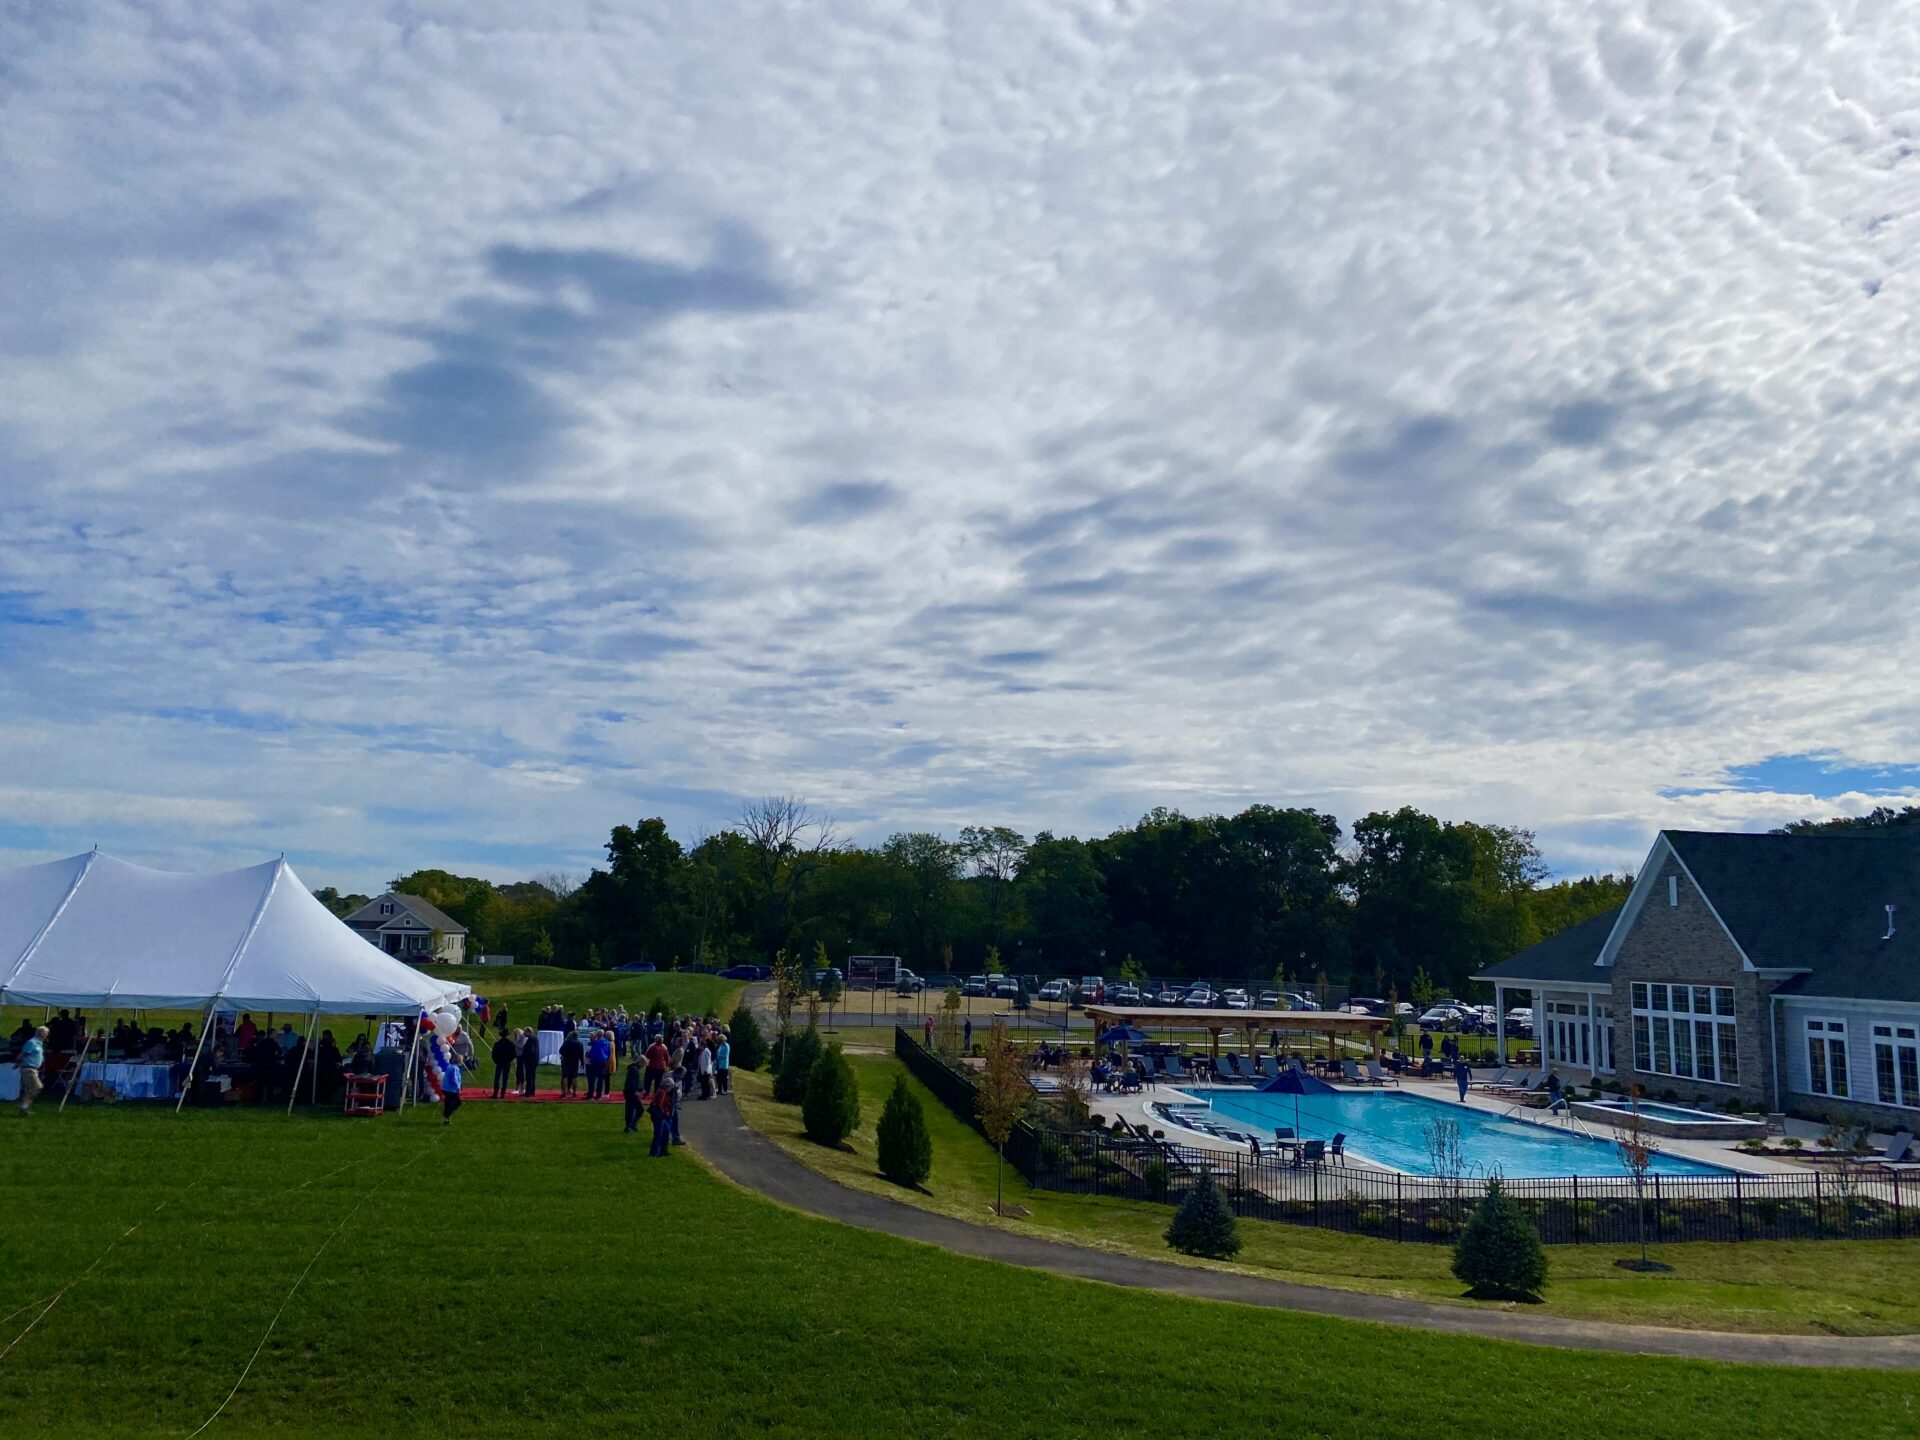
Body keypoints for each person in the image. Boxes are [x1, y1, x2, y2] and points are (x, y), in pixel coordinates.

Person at [18, 1025, 46, 1116]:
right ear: (42, 1033)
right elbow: (22, 1054)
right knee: (37, 1087)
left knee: (31, 1089)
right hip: (28, 1069)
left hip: (34, 1069)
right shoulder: (32, 1043)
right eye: (46, 1033)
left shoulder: (39, 1044)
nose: (47, 1035)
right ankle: (24, 1106)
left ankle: (24, 1107)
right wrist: (18, 1063)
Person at [648, 1077, 677, 1157]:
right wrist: (664, 1112)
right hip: (659, 1116)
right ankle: (655, 1152)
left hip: (659, 1115)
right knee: (659, 1134)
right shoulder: (662, 1092)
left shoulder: (661, 1091)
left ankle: (661, 1151)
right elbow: (659, 1104)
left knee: (665, 1131)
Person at [586, 1029, 612, 1100]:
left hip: (595, 1061)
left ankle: (590, 1094)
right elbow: (609, 1053)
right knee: (600, 1079)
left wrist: (589, 1057)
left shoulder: (596, 1042)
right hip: (603, 1061)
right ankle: (598, 1095)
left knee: (592, 1079)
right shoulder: (607, 1043)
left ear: (597, 1035)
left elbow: (591, 1052)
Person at [491, 1029, 515, 1099]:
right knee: (505, 1078)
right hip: (507, 1062)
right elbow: (513, 1054)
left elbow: (493, 1054)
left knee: (497, 1078)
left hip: (499, 1062)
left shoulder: (497, 1043)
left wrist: (496, 1061)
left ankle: (495, 1093)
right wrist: (509, 1060)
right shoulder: (511, 1044)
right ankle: (502, 1094)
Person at [559, 1029, 583, 1098]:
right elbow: (581, 1055)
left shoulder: (567, 1042)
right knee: (574, 1077)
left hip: (566, 1061)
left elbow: (560, 1051)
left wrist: (565, 1054)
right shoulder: (580, 1043)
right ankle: (574, 1093)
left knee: (565, 1076)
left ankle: (563, 1093)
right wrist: (582, 1062)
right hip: (575, 1062)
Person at [623, 1058, 644, 1134]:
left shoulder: (632, 1068)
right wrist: (636, 1091)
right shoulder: (634, 1070)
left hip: (628, 1092)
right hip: (631, 1093)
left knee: (629, 1109)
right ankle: (632, 1124)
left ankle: (629, 1125)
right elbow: (634, 1082)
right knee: (639, 1109)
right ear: (640, 1063)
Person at [441, 1052, 463, 1124]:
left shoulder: (450, 1066)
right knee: (458, 1102)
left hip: (445, 1088)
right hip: (450, 1089)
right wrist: (458, 1088)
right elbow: (454, 1079)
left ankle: (446, 1119)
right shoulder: (455, 1069)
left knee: (447, 1103)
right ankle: (447, 1114)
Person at [517, 1027, 538, 1097]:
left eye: (525, 1032)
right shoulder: (534, 1038)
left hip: (530, 1062)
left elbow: (531, 1051)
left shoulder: (531, 1039)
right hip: (534, 1061)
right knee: (532, 1077)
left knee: (529, 1077)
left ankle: (528, 1092)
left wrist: (525, 1058)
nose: (523, 1033)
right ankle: (532, 1091)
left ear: (529, 1032)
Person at [714, 1031, 731, 1096]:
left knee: (724, 1079)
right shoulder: (720, 1046)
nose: (719, 1042)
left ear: (722, 1040)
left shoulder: (726, 1046)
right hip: (719, 1064)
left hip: (724, 1065)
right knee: (718, 1078)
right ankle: (719, 1090)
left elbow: (726, 1055)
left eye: (720, 1040)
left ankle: (725, 1090)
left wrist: (719, 1056)